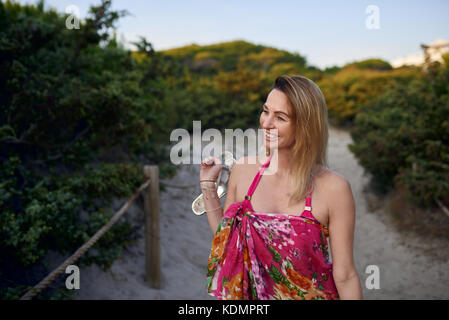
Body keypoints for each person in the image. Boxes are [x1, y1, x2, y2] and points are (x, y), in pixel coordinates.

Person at [199, 75, 362, 300]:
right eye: (266, 111)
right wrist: (208, 186)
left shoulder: (334, 188)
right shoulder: (244, 171)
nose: (266, 123)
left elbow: (345, 274)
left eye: (280, 117)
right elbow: (227, 244)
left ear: (306, 126)